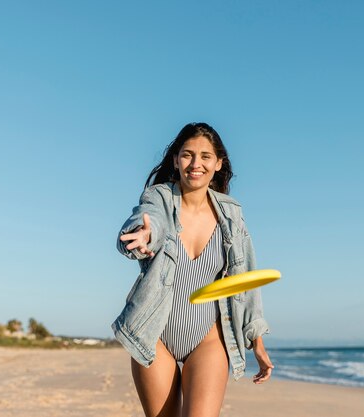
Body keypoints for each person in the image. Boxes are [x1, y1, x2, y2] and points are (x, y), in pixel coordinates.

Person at [113, 122, 273, 417]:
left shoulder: (231, 215)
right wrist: (143, 236)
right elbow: (149, 221)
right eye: (187, 155)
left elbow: (244, 280)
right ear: (176, 159)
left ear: (218, 163)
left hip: (209, 339)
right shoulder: (159, 198)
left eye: (205, 156)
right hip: (155, 335)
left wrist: (256, 341)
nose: (195, 164)